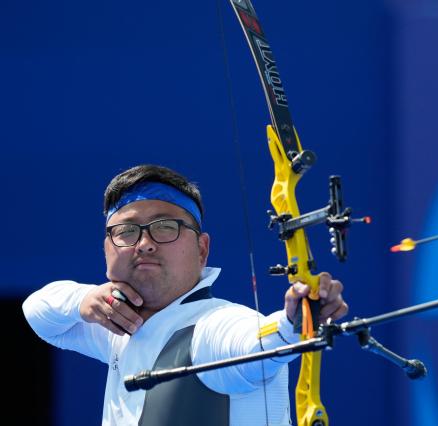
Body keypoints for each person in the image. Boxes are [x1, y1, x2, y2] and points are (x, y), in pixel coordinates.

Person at [22, 164, 348, 426]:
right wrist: (85, 299)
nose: (145, 243)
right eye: (126, 231)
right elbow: (38, 312)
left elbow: (255, 342)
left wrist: (293, 323)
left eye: (165, 227)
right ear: (107, 249)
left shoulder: (214, 325)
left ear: (202, 249)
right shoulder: (119, 325)